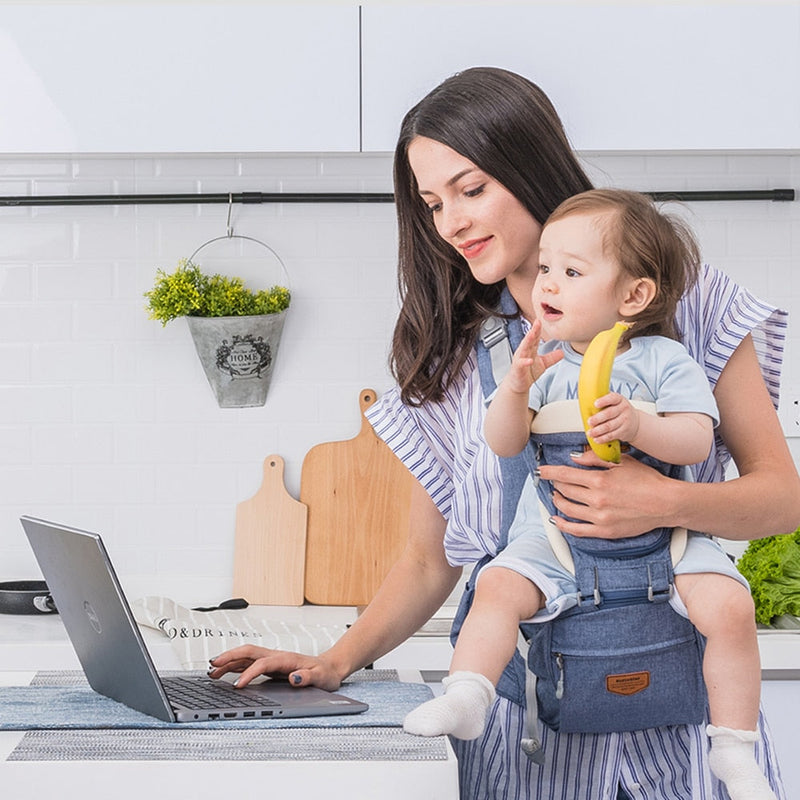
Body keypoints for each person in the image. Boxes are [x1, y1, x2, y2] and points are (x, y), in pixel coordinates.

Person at [208, 67, 800, 799]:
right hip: (526, 743)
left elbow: (780, 498)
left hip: (684, 740)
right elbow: (431, 560)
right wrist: (335, 659)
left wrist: (663, 504)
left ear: (530, 167)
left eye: (472, 187)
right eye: (431, 203)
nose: (451, 221)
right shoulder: (454, 352)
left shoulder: (683, 297)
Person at [401, 188, 775, 800]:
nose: (546, 284)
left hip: (668, 541)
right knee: (496, 587)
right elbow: (503, 443)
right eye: (545, 267)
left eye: (571, 273)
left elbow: (694, 441)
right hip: (554, 540)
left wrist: (639, 427)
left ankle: (733, 747)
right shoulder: (543, 365)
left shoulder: (665, 360)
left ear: (633, 296)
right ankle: (467, 693)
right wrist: (517, 390)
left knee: (731, 608)